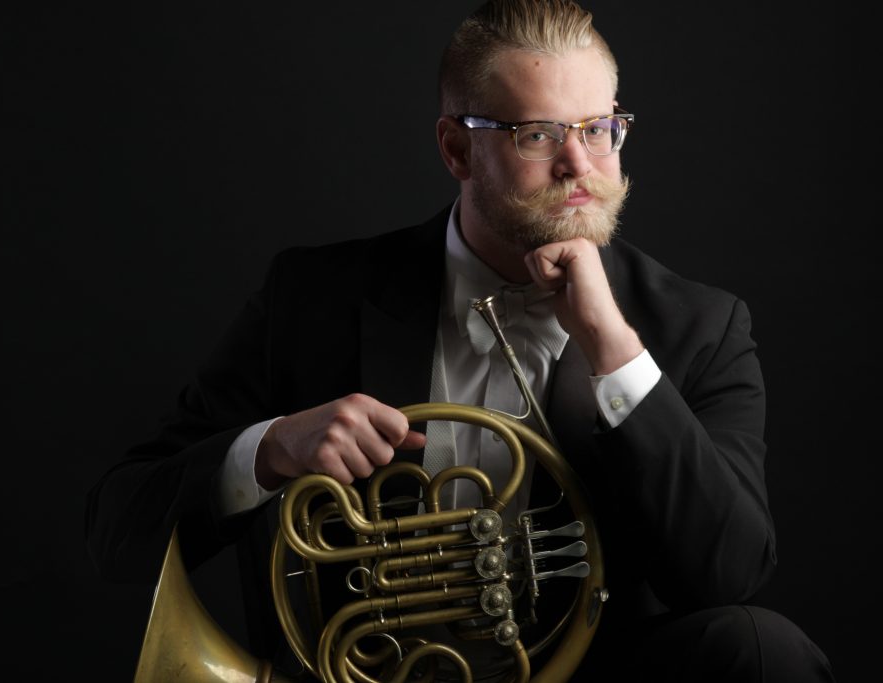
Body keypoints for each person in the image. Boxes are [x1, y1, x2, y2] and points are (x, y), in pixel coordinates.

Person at [85, 1, 835, 680]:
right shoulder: (313, 299)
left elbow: (730, 573)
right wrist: (273, 448)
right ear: (456, 149)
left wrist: (614, 349)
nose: (580, 166)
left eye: (600, 130)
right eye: (538, 134)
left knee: (765, 649)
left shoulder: (698, 327)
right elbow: (118, 525)